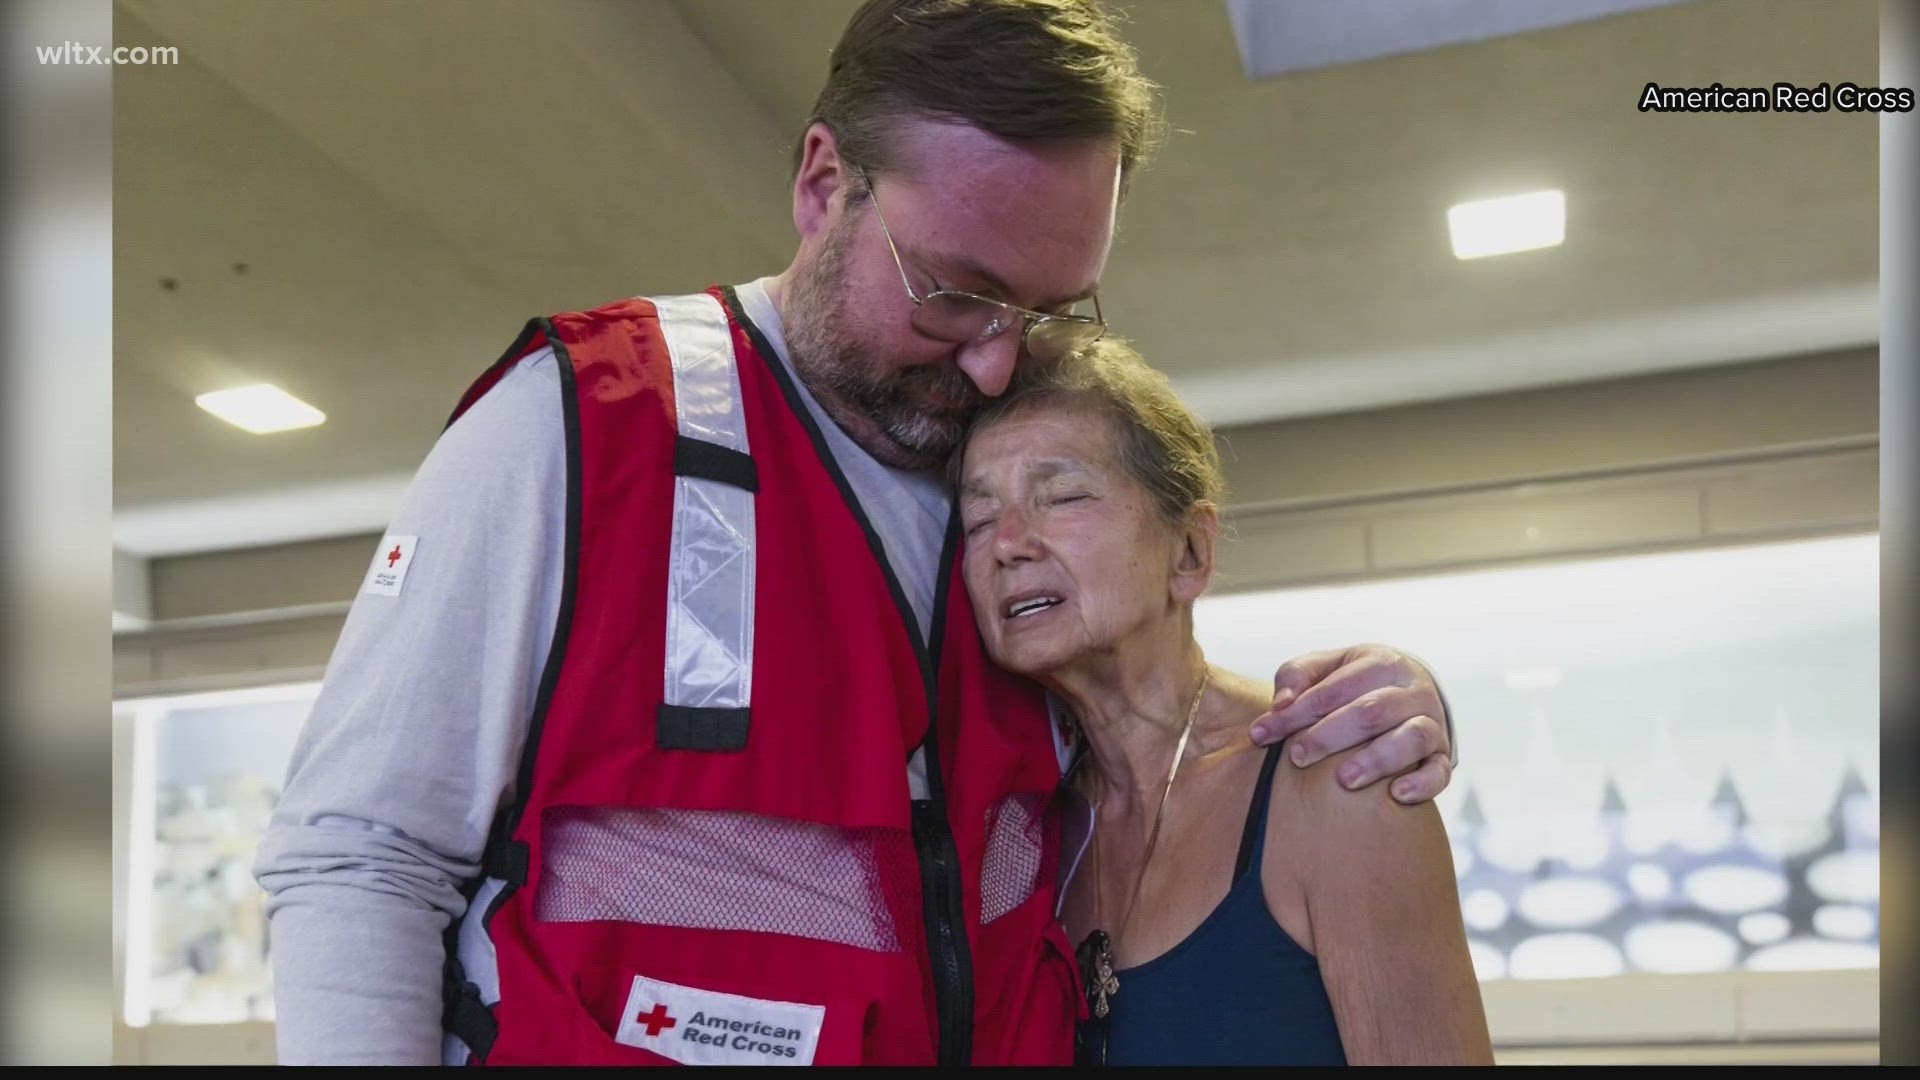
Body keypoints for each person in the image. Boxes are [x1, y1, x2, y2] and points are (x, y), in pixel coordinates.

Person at [252, 0, 1459, 1067]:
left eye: (1047, 309)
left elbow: (1144, 723)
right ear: (825, 183)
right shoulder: (578, 426)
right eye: (956, 292)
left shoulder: (999, 459)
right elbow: (361, 859)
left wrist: (1376, 700)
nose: (994, 359)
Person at [956, 337, 1492, 1065]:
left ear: (1191, 553)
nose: (1007, 544)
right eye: (979, 519)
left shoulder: (1336, 786)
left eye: (1063, 496)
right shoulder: (1015, 834)